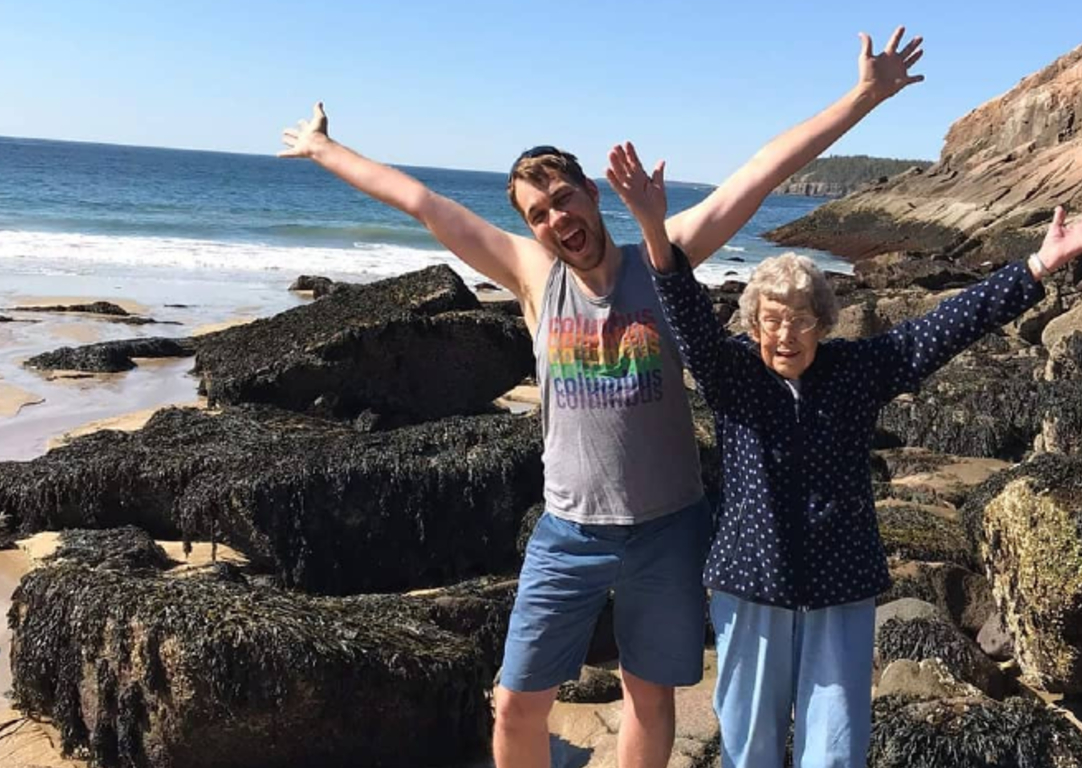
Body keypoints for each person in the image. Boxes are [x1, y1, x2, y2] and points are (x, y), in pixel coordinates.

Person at [278, 27, 925, 768]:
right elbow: (423, 203)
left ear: (592, 193)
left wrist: (864, 96)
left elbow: (759, 172)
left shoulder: (662, 255)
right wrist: (324, 149)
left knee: (648, 696)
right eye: (538, 214)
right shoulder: (532, 276)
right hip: (569, 532)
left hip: (668, 530)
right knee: (517, 703)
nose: (556, 219)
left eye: (563, 199)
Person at [604, 142, 1082, 768]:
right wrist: (653, 229)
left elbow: (947, 326)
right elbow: (687, 316)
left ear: (824, 323)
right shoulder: (731, 373)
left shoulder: (857, 371)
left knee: (836, 741)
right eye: (772, 320)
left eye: (801, 319)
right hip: (751, 580)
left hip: (841, 579)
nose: (785, 334)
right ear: (752, 325)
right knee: (748, 739)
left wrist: (1039, 265)